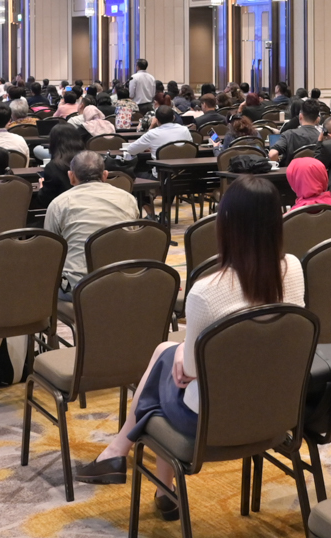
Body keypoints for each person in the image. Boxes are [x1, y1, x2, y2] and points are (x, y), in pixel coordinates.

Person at [75, 177, 306, 514]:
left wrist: (184, 351)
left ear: (226, 224)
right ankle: (151, 484)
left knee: (160, 377)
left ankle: (122, 458)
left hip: (212, 421)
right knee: (163, 356)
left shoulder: (207, 291)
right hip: (276, 410)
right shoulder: (295, 268)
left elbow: (191, 373)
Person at [39, 150, 141, 293]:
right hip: (123, 282)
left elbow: (50, 252)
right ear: (105, 175)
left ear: (71, 176)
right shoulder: (128, 199)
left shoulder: (59, 203)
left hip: (79, 288)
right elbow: (134, 238)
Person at [123, 105, 193, 158]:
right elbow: (190, 147)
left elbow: (131, 150)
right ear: (173, 118)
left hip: (161, 171)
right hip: (183, 170)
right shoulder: (184, 129)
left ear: (156, 120)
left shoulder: (152, 133)